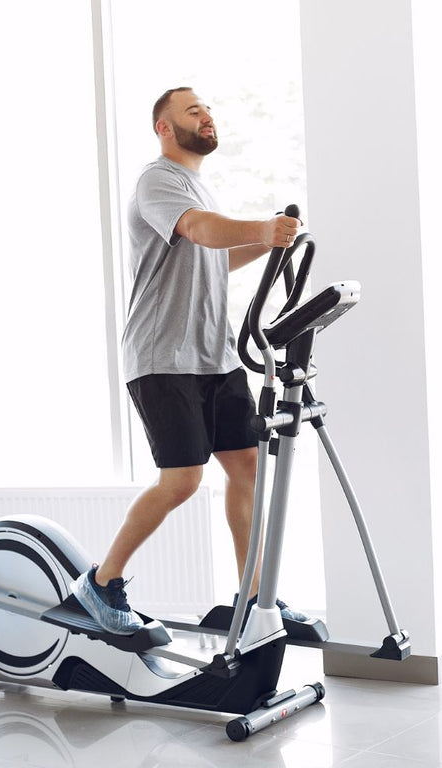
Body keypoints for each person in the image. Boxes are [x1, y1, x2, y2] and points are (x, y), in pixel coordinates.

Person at [72, 87, 307, 634]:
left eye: (208, 109)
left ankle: (254, 600)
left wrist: (274, 243)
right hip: (163, 356)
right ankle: (103, 581)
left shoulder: (199, 187)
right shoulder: (158, 180)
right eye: (192, 110)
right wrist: (259, 228)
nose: (206, 116)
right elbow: (201, 230)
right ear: (163, 127)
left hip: (215, 356)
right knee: (181, 480)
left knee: (246, 467)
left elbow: (214, 260)